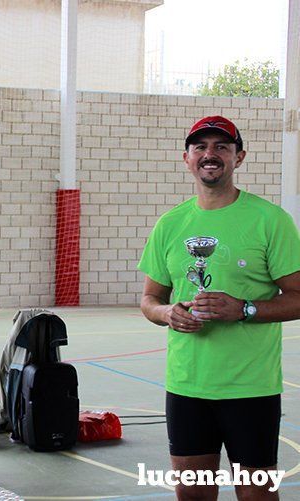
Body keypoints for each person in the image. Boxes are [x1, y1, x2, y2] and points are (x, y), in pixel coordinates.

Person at [138, 115, 300, 500]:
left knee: (256, 495)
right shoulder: (170, 224)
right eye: (201, 147)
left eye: (221, 147)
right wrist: (167, 314)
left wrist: (243, 309)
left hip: (251, 388)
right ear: (187, 158)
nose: (210, 155)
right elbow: (149, 300)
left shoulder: (269, 220)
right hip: (187, 387)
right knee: (193, 495)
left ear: (238, 157)